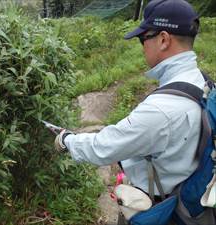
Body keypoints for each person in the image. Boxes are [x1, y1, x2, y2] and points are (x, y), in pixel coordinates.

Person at [54, 0, 211, 223]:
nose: (142, 46)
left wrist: (67, 140)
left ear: (164, 39)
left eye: (142, 38)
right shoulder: (202, 81)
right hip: (191, 196)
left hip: (163, 210)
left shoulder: (161, 110)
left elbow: (103, 148)